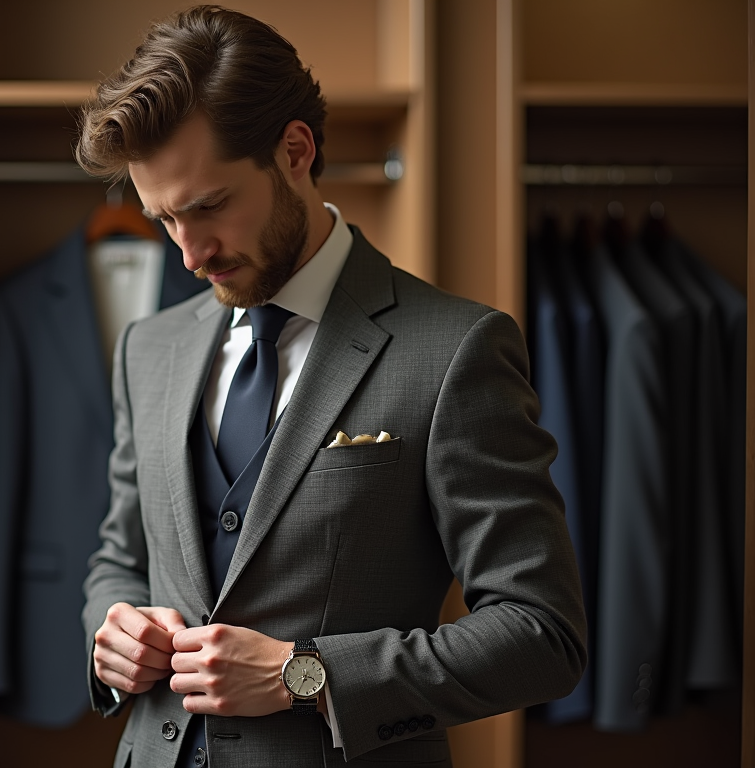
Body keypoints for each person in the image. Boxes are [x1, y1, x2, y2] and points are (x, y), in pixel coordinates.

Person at [76, 6, 586, 767]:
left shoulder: (455, 349)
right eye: (164, 219)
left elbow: (542, 633)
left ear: (295, 150)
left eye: (209, 206)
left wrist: (302, 676)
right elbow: (120, 551)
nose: (190, 254)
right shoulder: (149, 348)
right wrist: (110, 628)